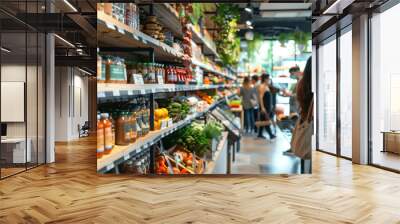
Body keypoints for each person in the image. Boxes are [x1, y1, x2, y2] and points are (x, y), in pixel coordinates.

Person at [294, 57, 313, 173]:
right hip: (313, 127)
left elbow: (300, 104)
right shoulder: (317, 84)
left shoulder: (301, 84)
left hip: (305, 121)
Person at [283, 65, 303, 155]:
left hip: (298, 110)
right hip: (295, 109)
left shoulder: (301, 81)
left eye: (292, 73)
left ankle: (294, 148)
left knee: (296, 130)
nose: (291, 75)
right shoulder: (297, 82)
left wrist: (290, 95)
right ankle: (294, 148)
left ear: (296, 72)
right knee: (294, 129)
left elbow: (299, 95)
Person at [257, 73, 276, 140]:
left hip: (267, 106)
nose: (269, 80)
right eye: (268, 78)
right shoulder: (262, 86)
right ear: (265, 79)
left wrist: (271, 105)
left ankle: (260, 134)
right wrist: (262, 107)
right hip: (264, 106)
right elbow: (260, 97)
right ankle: (271, 135)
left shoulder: (266, 86)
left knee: (263, 120)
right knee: (266, 119)